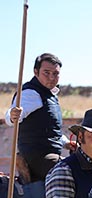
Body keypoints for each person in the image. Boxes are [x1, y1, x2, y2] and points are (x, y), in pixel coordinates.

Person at [5, 53, 69, 182]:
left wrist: (66, 143)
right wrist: (12, 115)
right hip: (37, 156)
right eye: (46, 72)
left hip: (50, 153)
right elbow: (11, 118)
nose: (51, 77)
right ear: (36, 72)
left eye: (55, 74)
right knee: (68, 172)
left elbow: (50, 130)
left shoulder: (50, 95)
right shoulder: (31, 93)